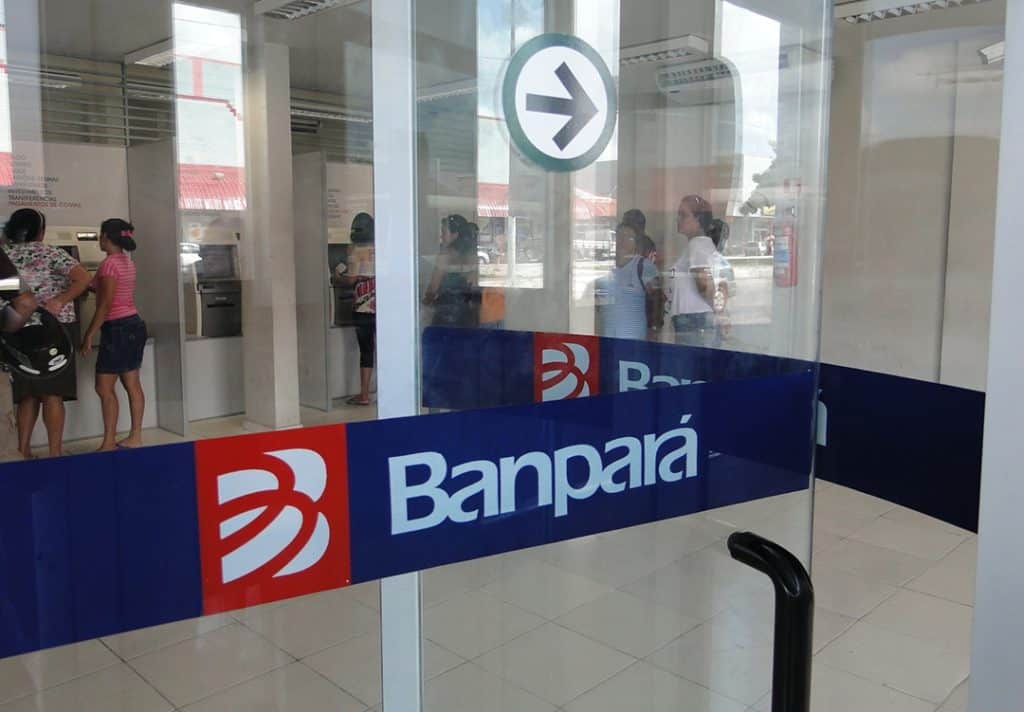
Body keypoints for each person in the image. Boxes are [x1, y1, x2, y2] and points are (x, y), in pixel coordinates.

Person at [2, 208, 90, 458]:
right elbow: (84, 278)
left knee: (27, 394)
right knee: (53, 393)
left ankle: (23, 451)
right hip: (54, 331)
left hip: (18, 331)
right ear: (39, 232)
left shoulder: (5, 255)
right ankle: (54, 453)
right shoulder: (50, 252)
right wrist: (60, 300)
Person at [79, 219, 147, 451]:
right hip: (133, 324)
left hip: (117, 328)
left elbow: (105, 304)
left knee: (103, 387)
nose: (99, 240)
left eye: (100, 235)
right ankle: (135, 437)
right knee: (132, 383)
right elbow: (97, 286)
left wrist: (89, 334)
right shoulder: (127, 262)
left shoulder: (108, 264)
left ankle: (108, 442)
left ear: (106, 237)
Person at [669, 195, 728, 347]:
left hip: (694, 321)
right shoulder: (700, 245)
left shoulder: (697, 244)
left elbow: (703, 283)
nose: (678, 219)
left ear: (698, 219)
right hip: (696, 320)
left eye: (683, 215)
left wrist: (719, 314)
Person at [594, 223, 661, 340]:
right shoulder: (603, 268)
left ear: (636, 243)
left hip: (633, 342)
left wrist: (654, 329)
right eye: (619, 236)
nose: (622, 241)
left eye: (628, 237)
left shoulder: (643, 266)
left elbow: (657, 300)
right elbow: (597, 304)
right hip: (607, 340)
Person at [339, 213, 376, 406]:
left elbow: (351, 279)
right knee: (384, 348)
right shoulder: (380, 248)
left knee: (366, 350)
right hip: (382, 306)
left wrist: (337, 276)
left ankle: (364, 395)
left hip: (363, 307)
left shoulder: (356, 250)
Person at [424, 214, 480, 327]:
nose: (441, 236)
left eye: (444, 232)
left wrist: (425, 302)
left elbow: (434, 286)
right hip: (467, 315)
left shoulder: (445, 255)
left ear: (455, 235)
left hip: (447, 315)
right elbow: (475, 285)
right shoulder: (472, 255)